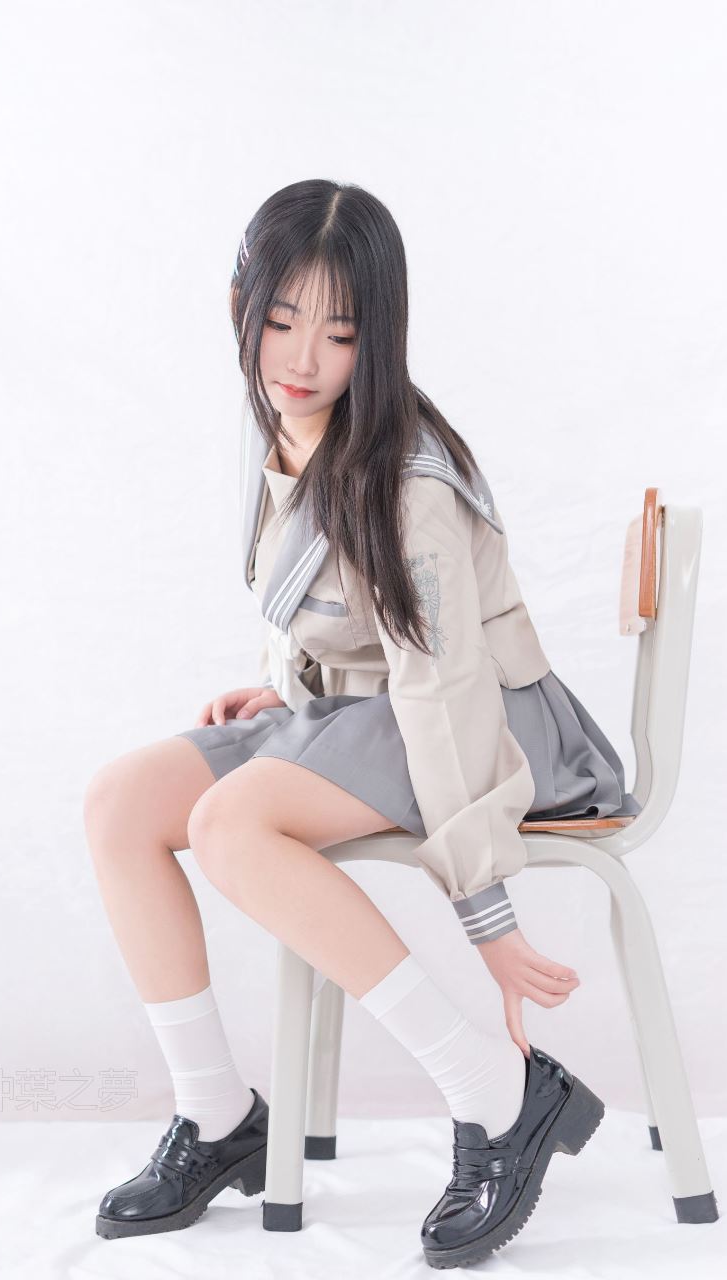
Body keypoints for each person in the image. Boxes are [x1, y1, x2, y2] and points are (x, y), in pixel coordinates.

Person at [85, 179, 640, 1266]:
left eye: (339, 334)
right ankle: (216, 1116)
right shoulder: (279, 425)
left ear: (376, 339)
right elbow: (338, 608)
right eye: (282, 319)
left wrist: (486, 914)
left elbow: (442, 689)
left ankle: (499, 1093)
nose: (302, 356)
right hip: (366, 706)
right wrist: (290, 685)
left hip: (492, 726)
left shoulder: (405, 477)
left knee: (233, 822)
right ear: (239, 304)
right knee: (119, 803)